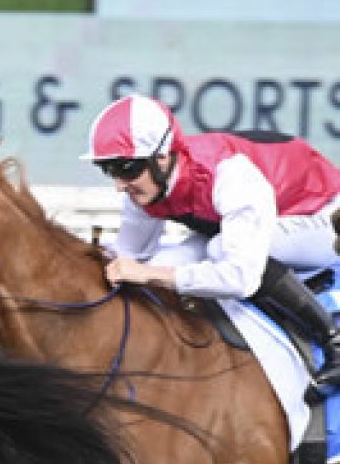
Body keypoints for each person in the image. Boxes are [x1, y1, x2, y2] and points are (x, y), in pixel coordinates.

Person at [85, 93, 340, 391]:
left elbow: (239, 279)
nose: (118, 184)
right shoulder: (146, 185)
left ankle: (332, 338)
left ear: (162, 157)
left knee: (219, 251)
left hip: (325, 216)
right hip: (268, 217)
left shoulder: (230, 176)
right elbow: (130, 257)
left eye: (126, 168)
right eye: (110, 169)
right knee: (166, 263)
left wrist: (150, 275)